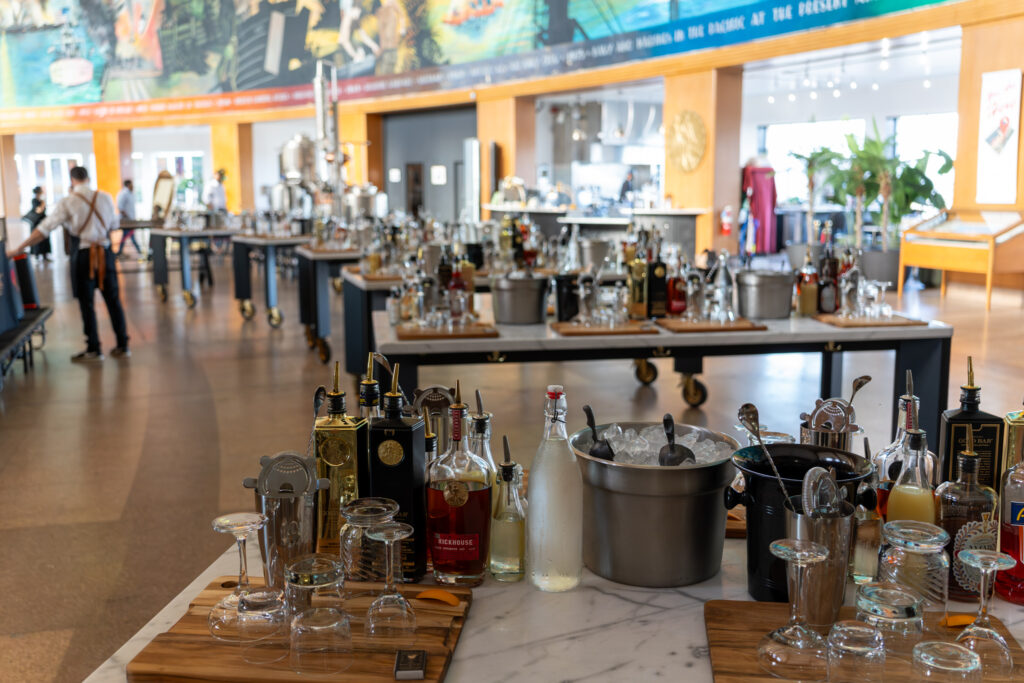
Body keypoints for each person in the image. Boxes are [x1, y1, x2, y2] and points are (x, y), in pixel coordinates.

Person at [5, 166, 129, 362]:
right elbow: (114, 225)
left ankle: (94, 349)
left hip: (83, 255)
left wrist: (18, 249)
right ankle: (123, 345)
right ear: (88, 178)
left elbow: (44, 229)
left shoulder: (68, 201)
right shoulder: (105, 197)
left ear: (72, 180)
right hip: (105, 254)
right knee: (113, 300)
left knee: (87, 304)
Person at [116, 179, 142, 258]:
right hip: (126, 220)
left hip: (131, 220)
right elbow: (120, 207)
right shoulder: (124, 194)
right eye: (131, 184)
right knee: (129, 236)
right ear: (128, 185)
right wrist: (127, 216)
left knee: (128, 236)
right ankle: (139, 251)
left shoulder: (131, 194)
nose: (133, 186)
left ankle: (119, 252)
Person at [24, 186, 51, 261]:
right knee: (37, 238)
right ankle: (37, 255)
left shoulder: (42, 201)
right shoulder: (34, 201)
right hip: (36, 222)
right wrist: (43, 204)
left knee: (44, 238)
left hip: (43, 221)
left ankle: (45, 255)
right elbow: (38, 211)